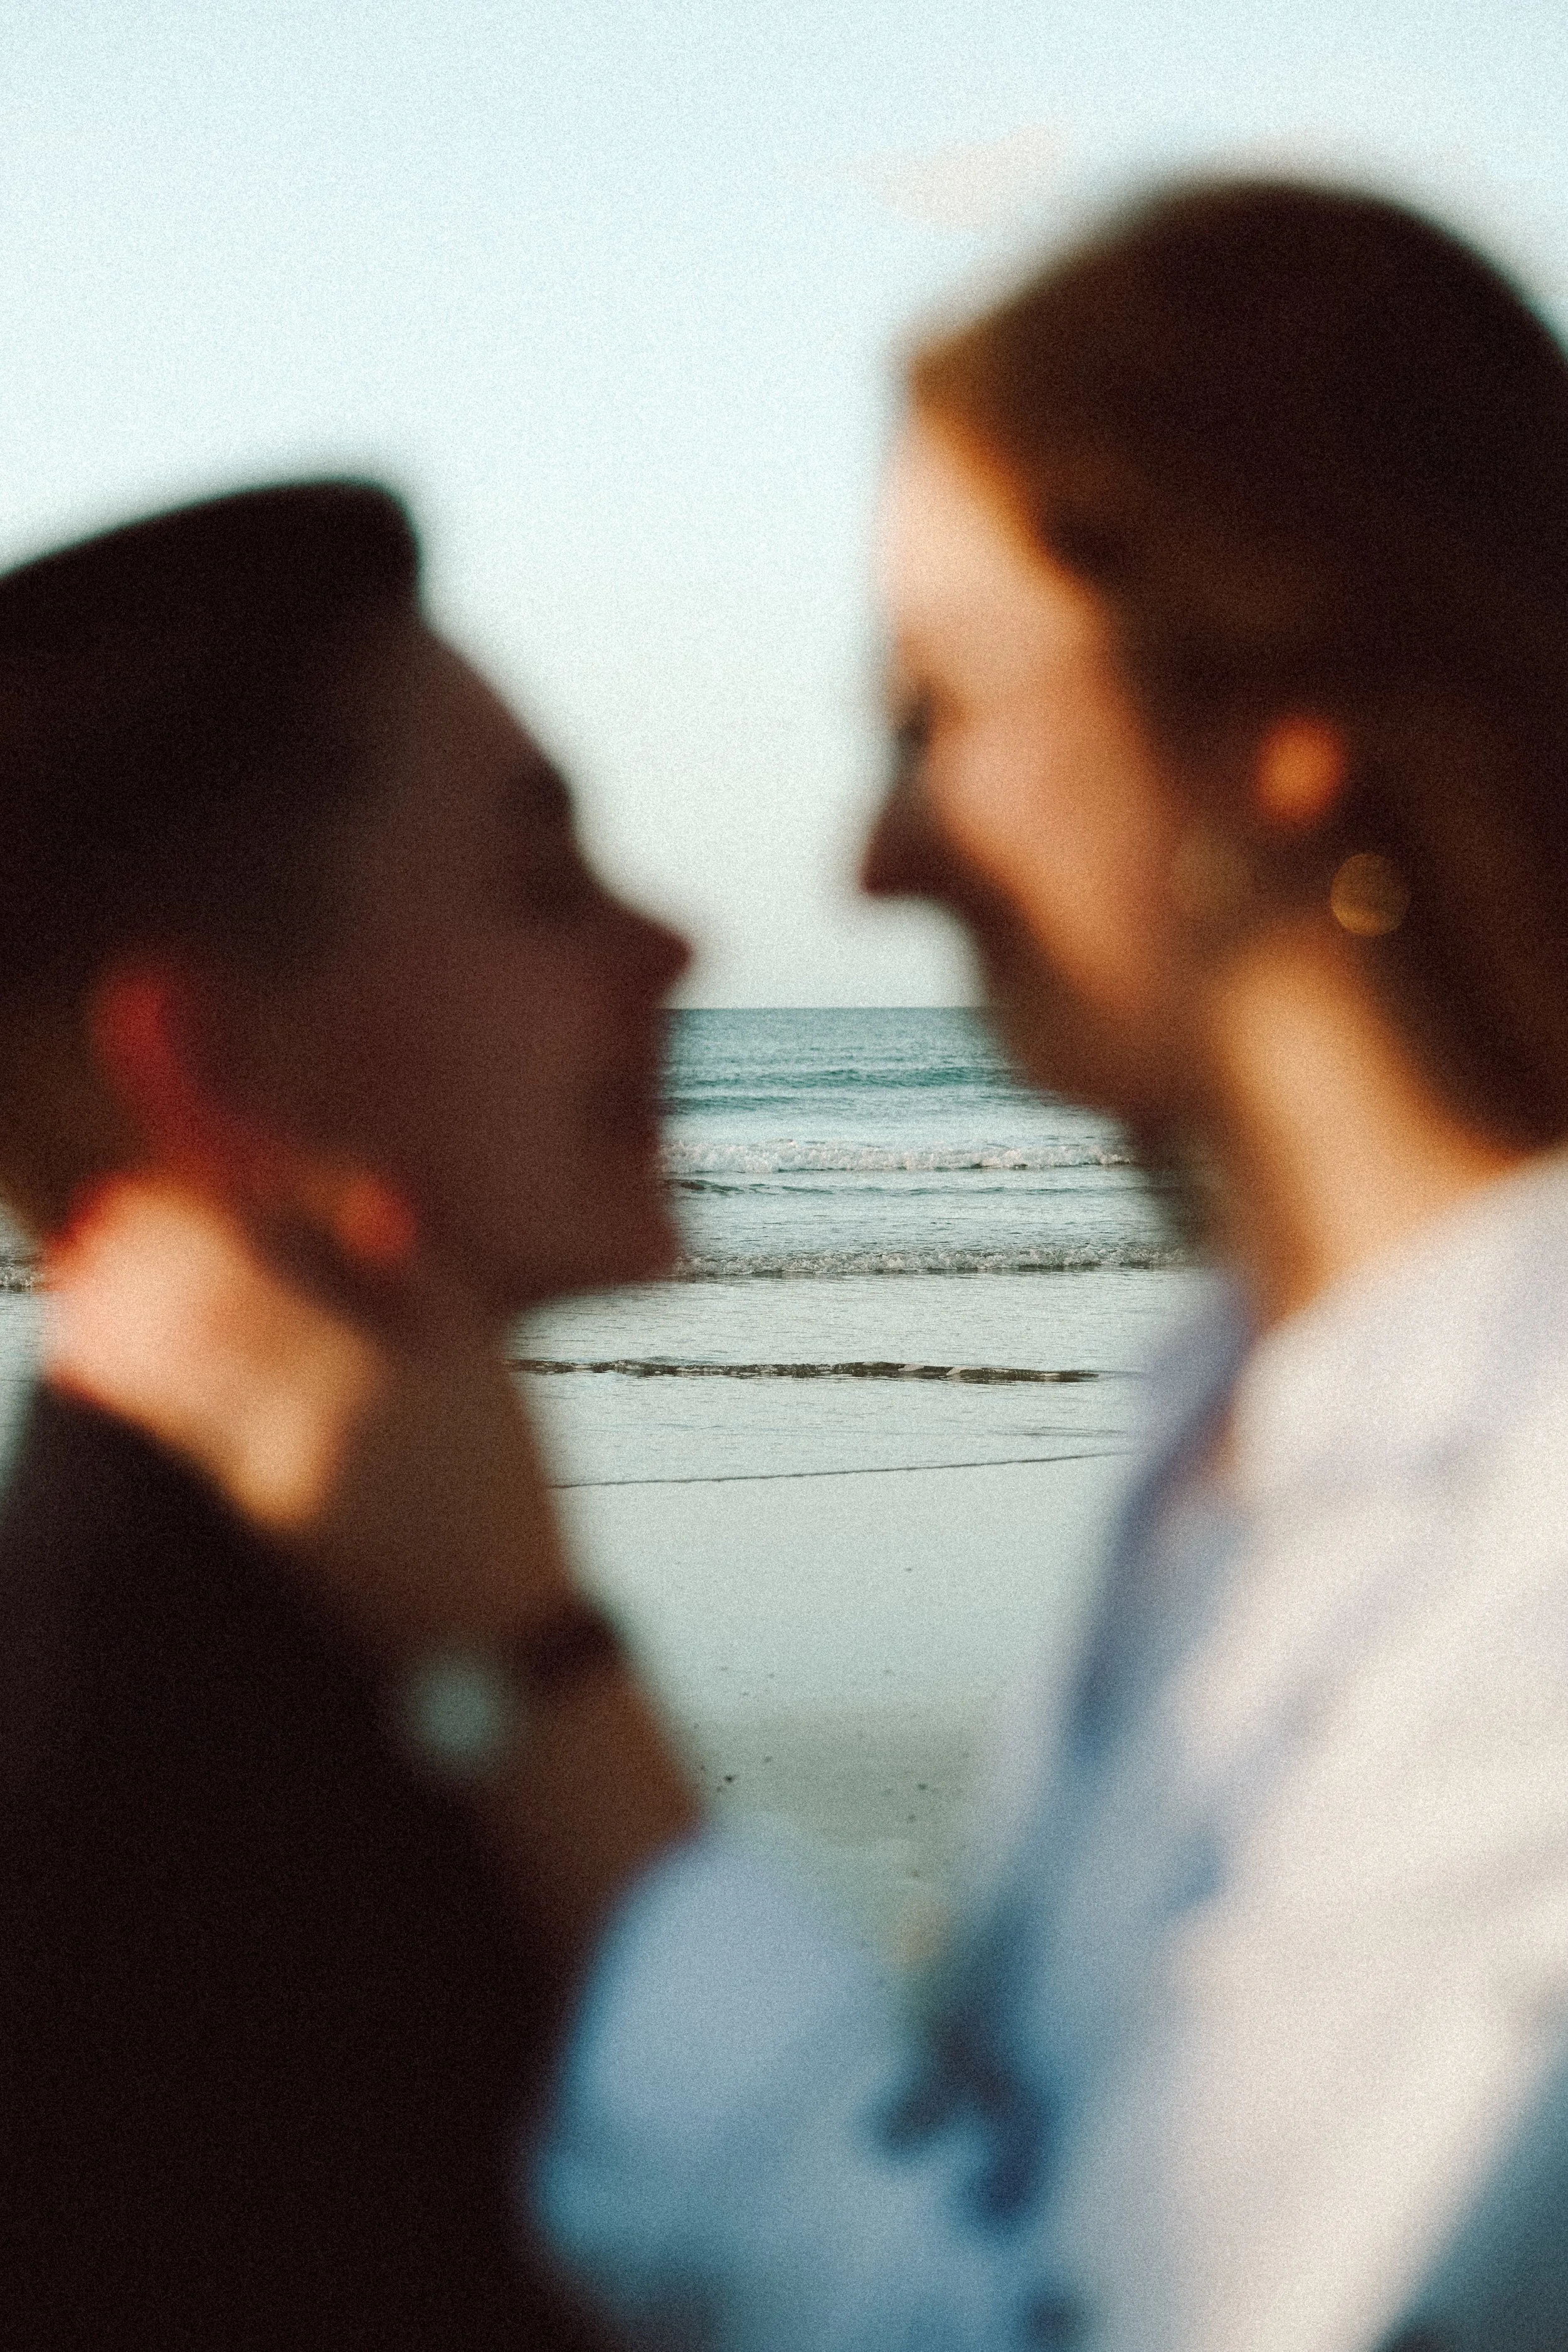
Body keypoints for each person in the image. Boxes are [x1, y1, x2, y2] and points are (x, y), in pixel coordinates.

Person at [41, 178, 1568, 2351]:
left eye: (940, 704)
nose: (863, 853)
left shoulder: (1518, 1524)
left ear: (1278, 718)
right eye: (538, 861)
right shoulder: (1216, 1423)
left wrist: (532, 1670)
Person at [0, 483, 691, 2347]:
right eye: (543, 885)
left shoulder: (329, 1665)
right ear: (209, 1060)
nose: (673, 944)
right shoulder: (152, 1897)